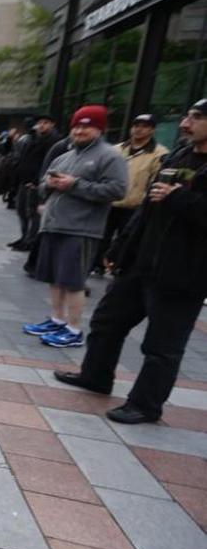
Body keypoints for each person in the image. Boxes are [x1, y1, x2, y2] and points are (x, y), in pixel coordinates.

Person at [54, 99, 207, 423]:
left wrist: (180, 198)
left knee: (161, 346)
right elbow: (148, 209)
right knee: (107, 321)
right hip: (144, 262)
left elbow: (178, 202)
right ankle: (95, 376)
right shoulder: (178, 155)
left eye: (196, 117)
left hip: (184, 271)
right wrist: (121, 247)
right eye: (187, 115)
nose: (185, 122)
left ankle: (146, 405)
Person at [22, 105, 127, 348]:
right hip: (54, 225)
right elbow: (42, 186)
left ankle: (74, 329)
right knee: (54, 277)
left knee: (73, 280)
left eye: (87, 126)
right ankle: (57, 319)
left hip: (81, 229)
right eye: (77, 126)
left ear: (100, 129)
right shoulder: (65, 155)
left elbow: (118, 190)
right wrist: (48, 185)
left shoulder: (109, 156)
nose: (80, 130)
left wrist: (75, 184)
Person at [93, 113, 168, 275]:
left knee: (126, 239)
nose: (138, 130)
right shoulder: (116, 150)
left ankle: (116, 267)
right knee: (101, 237)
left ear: (152, 130)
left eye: (144, 126)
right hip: (110, 202)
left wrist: (144, 201)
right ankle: (97, 265)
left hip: (134, 206)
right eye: (136, 125)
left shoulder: (159, 154)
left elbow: (155, 181)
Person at [11, 114, 63, 252]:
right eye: (40, 122)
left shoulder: (54, 141)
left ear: (52, 124)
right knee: (21, 210)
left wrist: (37, 180)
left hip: (37, 182)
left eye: (46, 122)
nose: (42, 125)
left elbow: (48, 163)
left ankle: (30, 240)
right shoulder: (33, 138)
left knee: (33, 212)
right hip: (24, 180)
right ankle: (24, 236)